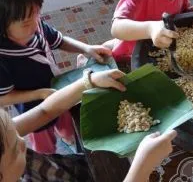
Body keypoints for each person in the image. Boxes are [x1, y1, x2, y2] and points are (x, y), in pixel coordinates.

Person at [0, 69, 177, 181]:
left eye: (16, 134)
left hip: (73, 169)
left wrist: (88, 82)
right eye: (15, 149)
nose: (23, 142)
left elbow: (43, 112)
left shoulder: (3, 134)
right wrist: (143, 167)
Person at [0, 0, 112, 154]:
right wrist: (39, 94)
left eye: (37, 14)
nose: (36, 24)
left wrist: (86, 48)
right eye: (26, 23)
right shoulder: (3, 59)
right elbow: (4, 97)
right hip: (35, 111)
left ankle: (68, 137)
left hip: (58, 89)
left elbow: (59, 40)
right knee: (45, 148)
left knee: (69, 124)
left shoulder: (36, 26)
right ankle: (54, 150)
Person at [110, 0, 193, 63]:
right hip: (131, 57)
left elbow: (182, 15)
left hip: (164, 51)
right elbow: (116, 28)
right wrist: (150, 29)